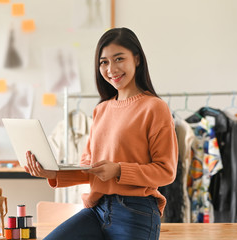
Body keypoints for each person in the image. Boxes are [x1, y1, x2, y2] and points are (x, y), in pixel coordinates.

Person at [24, 28, 178, 240]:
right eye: (104, 62)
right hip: (97, 209)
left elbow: (166, 172)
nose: (111, 68)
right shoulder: (101, 110)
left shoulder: (154, 108)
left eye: (119, 59)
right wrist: (54, 174)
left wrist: (118, 170)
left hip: (136, 211)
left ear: (137, 59)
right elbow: (91, 168)